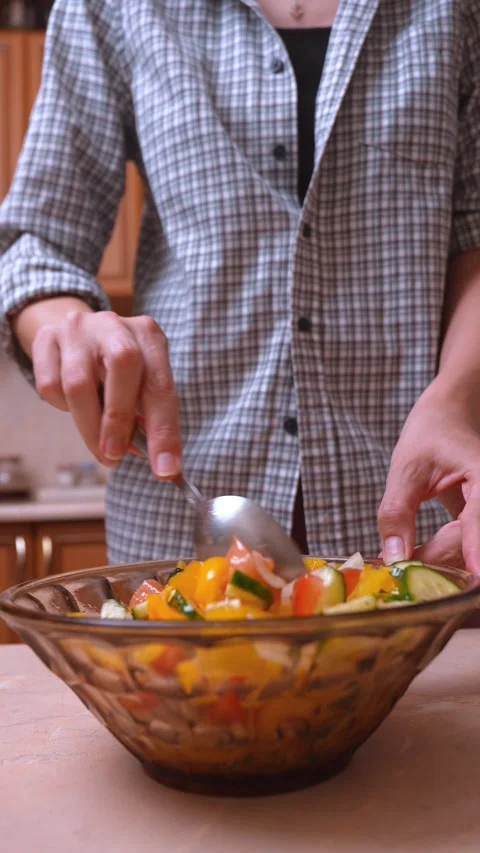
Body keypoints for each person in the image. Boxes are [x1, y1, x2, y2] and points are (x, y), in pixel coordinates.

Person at [1, 0, 480, 572]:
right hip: (177, 526)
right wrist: (63, 324)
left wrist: (457, 396)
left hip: (426, 522)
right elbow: (37, 241)